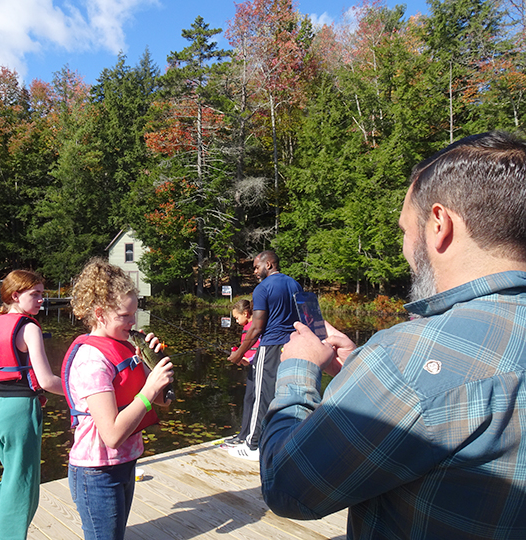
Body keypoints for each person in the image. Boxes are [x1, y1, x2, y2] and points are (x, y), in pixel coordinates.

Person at [260, 131, 526, 539]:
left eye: (405, 230)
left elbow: (287, 487)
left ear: (439, 225)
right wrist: (362, 365)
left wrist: (297, 370)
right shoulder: (407, 364)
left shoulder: (408, 358)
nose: (404, 249)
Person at [62, 258, 174, 540]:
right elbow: (111, 435)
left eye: (134, 314)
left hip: (125, 462)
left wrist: (152, 363)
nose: (133, 322)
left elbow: (164, 401)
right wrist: (149, 390)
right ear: (100, 313)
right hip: (97, 472)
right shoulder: (91, 360)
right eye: (125, 316)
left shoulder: (126, 347)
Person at [0, 269, 64, 540]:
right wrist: (77, 390)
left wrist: (4, 390)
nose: (42, 300)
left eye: (42, 294)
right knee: (22, 488)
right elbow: (45, 380)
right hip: (20, 414)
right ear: (16, 295)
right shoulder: (29, 327)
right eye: (36, 294)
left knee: (11, 480)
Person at [226, 251, 303, 460]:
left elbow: (257, 328)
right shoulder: (294, 284)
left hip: (269, 347)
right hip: (292, 346)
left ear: (268, 264)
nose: (254, 271)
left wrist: (238, 354)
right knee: (280, 396)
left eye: (256, 266)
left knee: (261, 396)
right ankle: (276, 440)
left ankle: (252, 445)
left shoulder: (263, 288)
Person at [221, 299, 260, 447]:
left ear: (245, 313)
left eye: (237, 318)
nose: (236, 321)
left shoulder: (254, 327)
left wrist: (246, 359)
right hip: (253, 367)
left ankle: (245, 436)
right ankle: (246, 433)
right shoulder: (250, 327)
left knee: (251, 399)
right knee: (249, 398)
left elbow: (258, 349)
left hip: (257, 367)